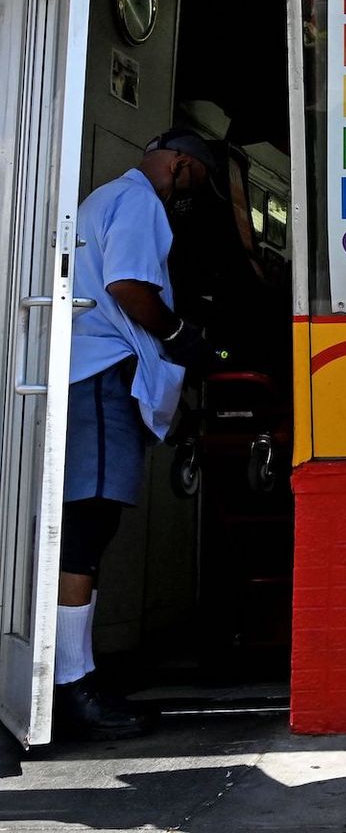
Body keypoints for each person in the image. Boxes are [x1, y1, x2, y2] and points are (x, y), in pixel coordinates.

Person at [55, 127, 223, 740]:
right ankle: (71, 688)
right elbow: (130, 288)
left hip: (87, 376)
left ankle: (68, 677)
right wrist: (180, 335)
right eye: (196, 183)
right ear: (179, 165)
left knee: (83, 525)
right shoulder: (139, 202)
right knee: (88, 522)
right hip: (98, 377)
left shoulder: (105, 198)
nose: (189, 197)